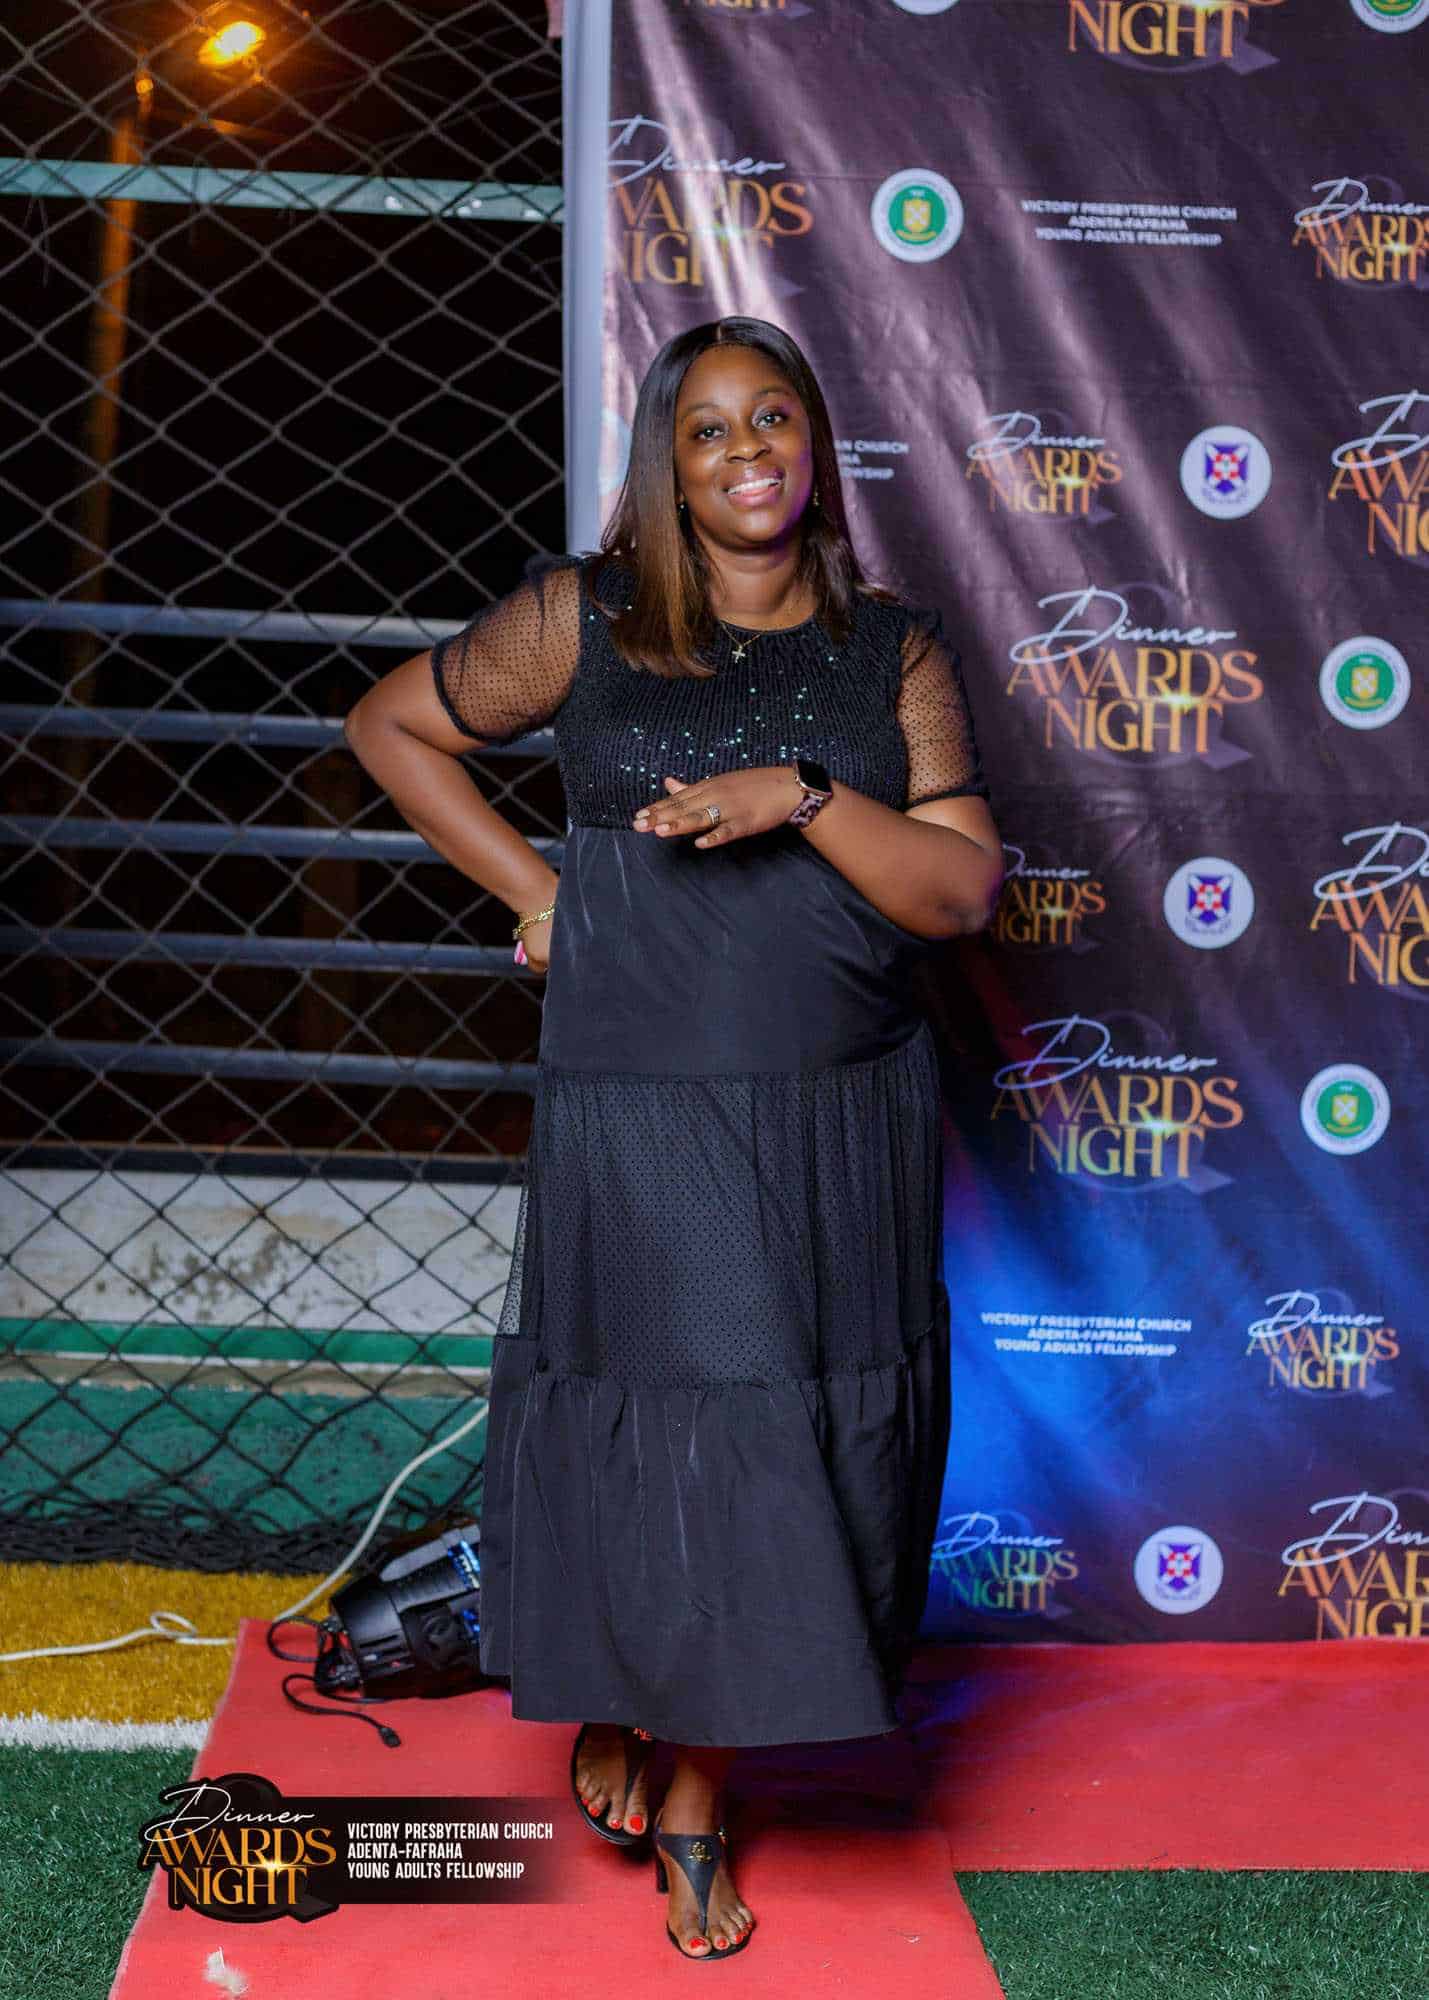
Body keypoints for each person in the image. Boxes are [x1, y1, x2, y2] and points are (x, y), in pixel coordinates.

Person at [343, 315, 1002, 1962]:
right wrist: (542, 895)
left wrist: (802, 792)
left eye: (770, 416)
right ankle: (655, 1726)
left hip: (839, 1092)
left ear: (812, 442)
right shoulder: (585, 619)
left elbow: (956, 891)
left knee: (784, 1420)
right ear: (668, 463)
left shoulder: (890, 651)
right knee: (681, 1399)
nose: (744, 451)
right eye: (706, 429)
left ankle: (686, 1760)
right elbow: (391, 727)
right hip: (641, 1085)